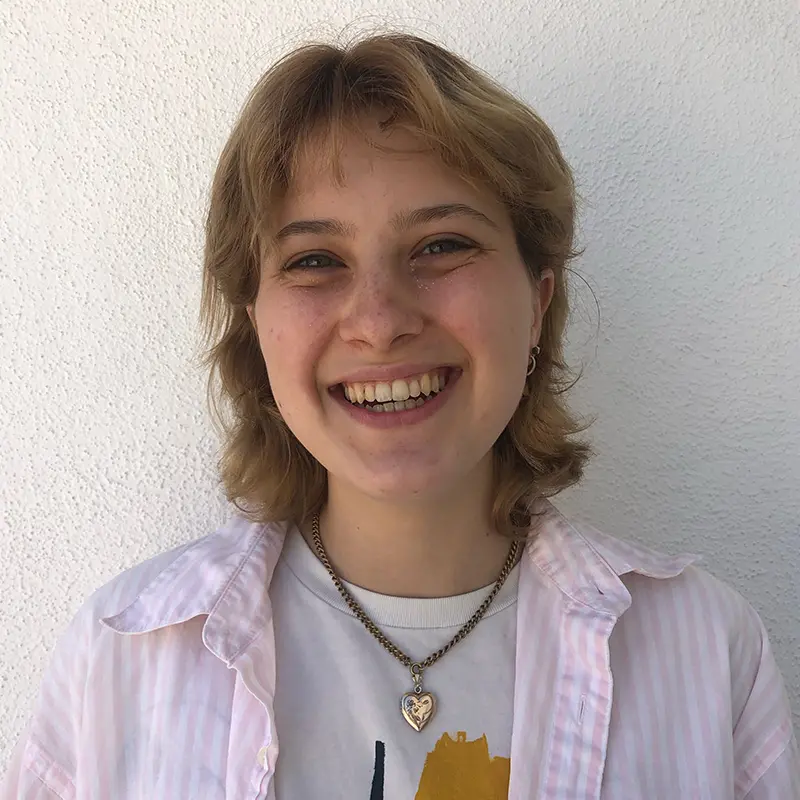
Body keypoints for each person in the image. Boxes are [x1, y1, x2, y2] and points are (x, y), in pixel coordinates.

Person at [2, 31, 797, 800]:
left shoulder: (706, 650)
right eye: (315, 260)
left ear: (537, 304)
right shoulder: (122, 657)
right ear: (256, 324)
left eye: (442, 246)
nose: (379, 321)